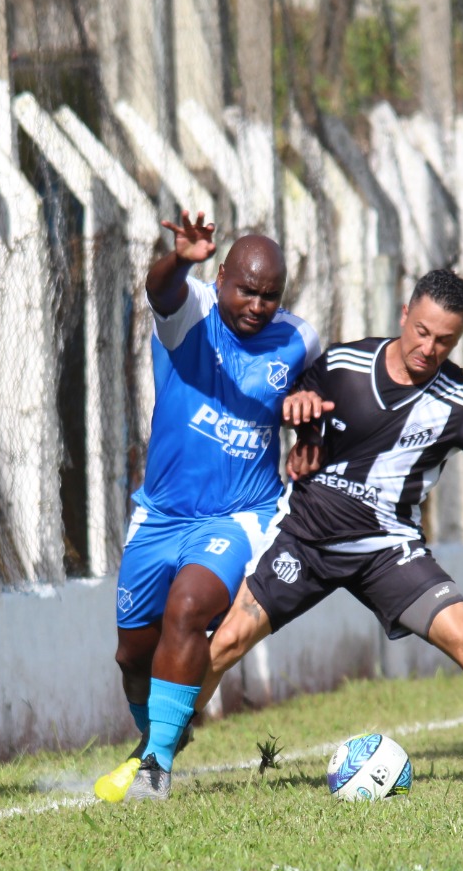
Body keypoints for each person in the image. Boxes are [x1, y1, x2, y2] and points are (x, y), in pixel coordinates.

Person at [99, 269, 463, 796]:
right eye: (422, 331)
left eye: (445, 341)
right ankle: (150, 761)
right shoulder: (342, 364)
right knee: (221, 647)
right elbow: (297, 415)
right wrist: (301, 420)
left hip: (388, 552)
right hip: (305, 539)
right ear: (405, 314)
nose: (429, 348)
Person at [94, 214, 321, 803]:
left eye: (270, 295)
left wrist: (307, 421)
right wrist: (180, 258)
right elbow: (158, 289)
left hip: (240, 515)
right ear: (220, 278)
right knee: (131, 653)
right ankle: (158, 737)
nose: (257, 304)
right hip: (161, 513)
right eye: (246, 289)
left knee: (189, 609)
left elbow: (318, 401)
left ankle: (156, 767)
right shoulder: (189, 310)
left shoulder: (299, 340)